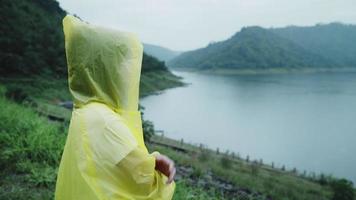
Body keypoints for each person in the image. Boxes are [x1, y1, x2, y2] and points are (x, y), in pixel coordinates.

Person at [55, 15, 176, 200]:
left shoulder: (86, 110)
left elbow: (116, 165)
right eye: (123, 63)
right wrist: (159, 169)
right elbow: (144, 183)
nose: (129, 72)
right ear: (106, 68)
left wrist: (151, 161)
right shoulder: (104, 121)